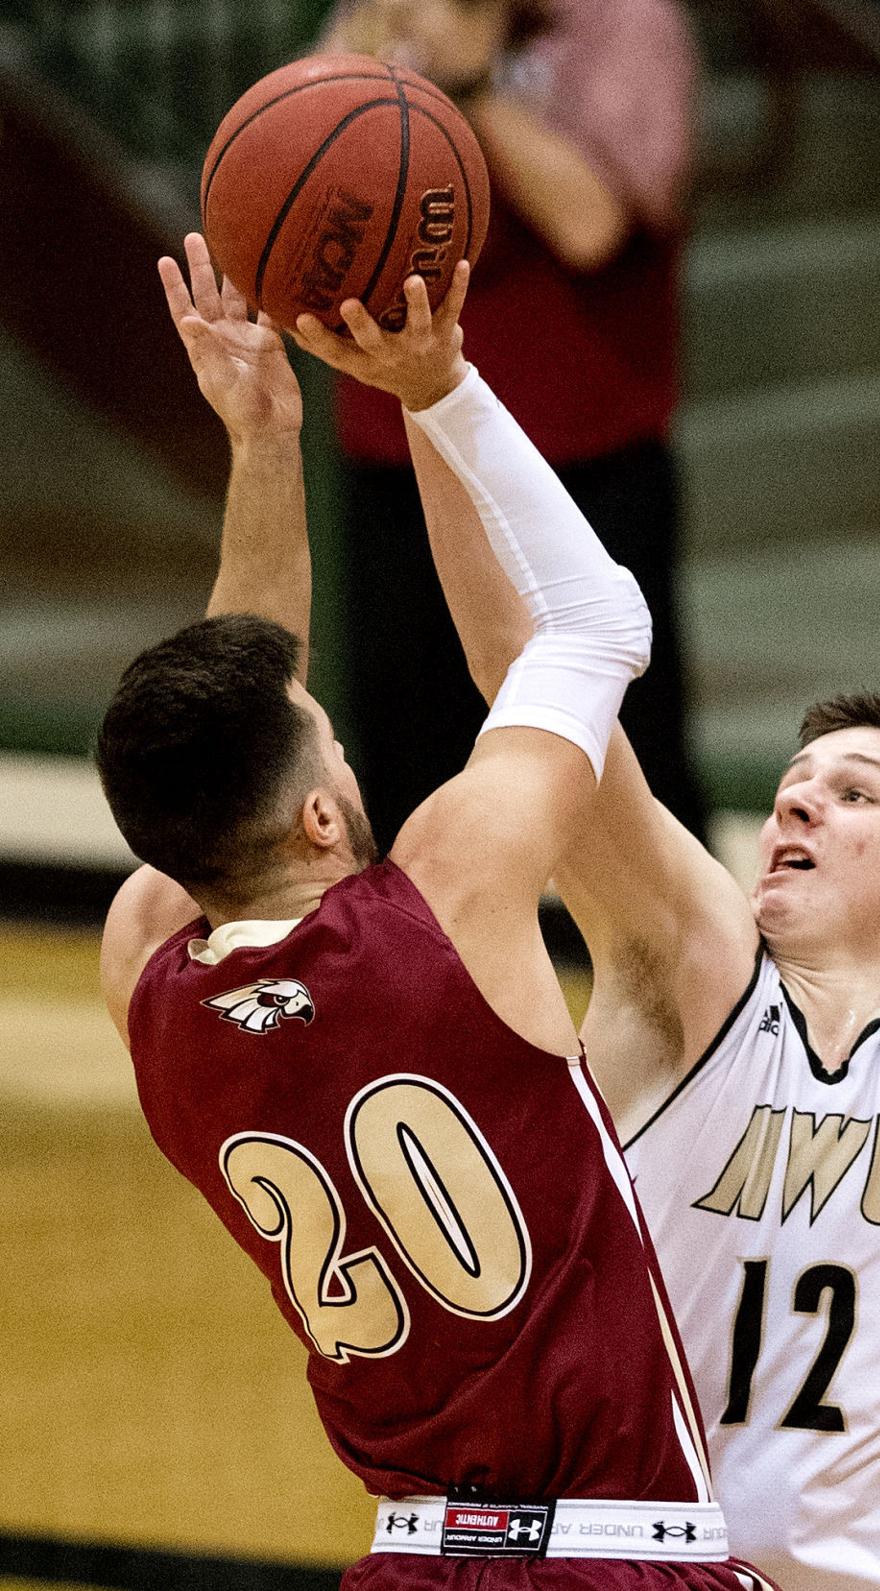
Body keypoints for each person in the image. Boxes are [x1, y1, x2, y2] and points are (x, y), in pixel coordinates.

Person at [419, 231, 880, 1588]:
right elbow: (527, 665)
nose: (801, 804)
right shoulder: (683, 970)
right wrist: (434, 394)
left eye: (857, 793)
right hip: (630, 1566)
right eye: (798, 786)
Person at [95, 233, 775, 1591]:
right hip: (611, 1550)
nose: (342, 747)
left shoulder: (145, 979)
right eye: (326, 738)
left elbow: (231, 707)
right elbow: (595, 620)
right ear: (321, 816)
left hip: (411, 1557)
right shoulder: (449, 889)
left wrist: (265, 441)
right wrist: (441, 386)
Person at [315, 0, 707, 846]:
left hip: (579, 464)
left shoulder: (622, 24)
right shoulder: (379, 15)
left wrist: (467, 82)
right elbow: (309, 198)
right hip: (403, 459)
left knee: (630, 773)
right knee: (408, 779)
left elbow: (591, 222)